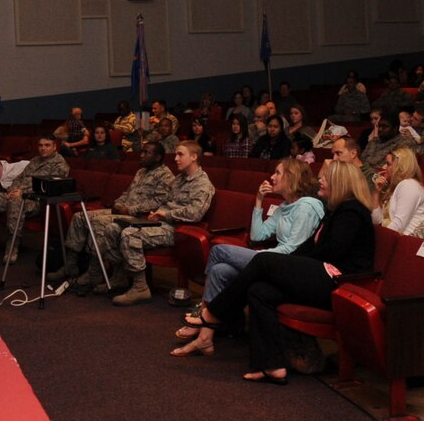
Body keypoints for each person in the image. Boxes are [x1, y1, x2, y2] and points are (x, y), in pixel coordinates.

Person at [172, 162, 374, 386]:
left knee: (263, 260)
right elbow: (309, 246)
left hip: (339, 282)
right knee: (259, 291)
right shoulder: (335, 210)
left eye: (325, 177)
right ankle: (272, 365)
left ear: (339, 182)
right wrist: (291, 264)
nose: (320, 180)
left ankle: (212, 314)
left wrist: (291, 264)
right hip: (321, 274)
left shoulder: (352, 210)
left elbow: (335, 249)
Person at [173, 159, 324, 342]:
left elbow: (294, 249)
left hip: (287, 266)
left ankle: (204, 313)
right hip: (271, 259)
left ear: (292, 177)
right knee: (219, 270)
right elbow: (257, 235)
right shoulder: (284, 206)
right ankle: (210, 333)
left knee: (219, 251)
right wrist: (259, 202)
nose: (272, 177)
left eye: (277, 173)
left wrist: (260, 258)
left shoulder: (307, 206)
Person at [49, 142, 175, 292]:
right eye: (141, 152)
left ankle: (94, 272)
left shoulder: (166, 176)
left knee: (98, 222)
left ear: (157, 157)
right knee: (79, 217)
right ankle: (70, 265)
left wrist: (128, 209)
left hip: (140, 217)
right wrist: (118, 204)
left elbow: (157, 202)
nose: (141, 155)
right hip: (123, 211)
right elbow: (128, 193)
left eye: (146, 153)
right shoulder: (141, 171)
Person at [105, 142, 215, 305]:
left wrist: (165, 214)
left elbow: (195, 213)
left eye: (180, 154)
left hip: (179, 231)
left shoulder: (203, 184)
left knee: (129, 234)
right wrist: (158, 214)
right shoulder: (179, 180)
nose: (175, 158)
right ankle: (120, 276)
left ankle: (140, 287)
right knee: (113, 228)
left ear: (194, 157)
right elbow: (166, 202)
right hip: (162, 224)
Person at [0, 134, 70, 261]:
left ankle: (12, 248)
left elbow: (48, 187)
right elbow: (19, 178)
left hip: (35, 200)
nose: (43, 148)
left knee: (15, 202)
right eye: (40, 145)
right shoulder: (35, 160)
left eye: (47, 145)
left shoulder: (59, 164)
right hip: (14, 194)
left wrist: (21, 192)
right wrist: (12, 190)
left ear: (54, 147)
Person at [371, 147, 424, 234]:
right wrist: (376, 193)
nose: (384, 167)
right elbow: (378, 222)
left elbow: (398, 225)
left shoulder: (409, 185)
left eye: (388, 164)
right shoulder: (398, 186)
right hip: (395, 238)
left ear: (399, 166)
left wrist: (379, 239)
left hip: (407, 241)